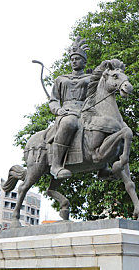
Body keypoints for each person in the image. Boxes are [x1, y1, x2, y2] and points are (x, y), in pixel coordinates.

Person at [49, 37, 91, 179]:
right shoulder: (61, 79)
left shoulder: (90, 78)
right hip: (67, 112)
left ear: (84, 61)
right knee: (69, 123)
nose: (74, 61)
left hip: (86, 111)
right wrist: (58, 110)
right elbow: (53, 100)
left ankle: (103, 166)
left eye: (77, 58)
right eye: (72, 58)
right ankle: (56, 165)